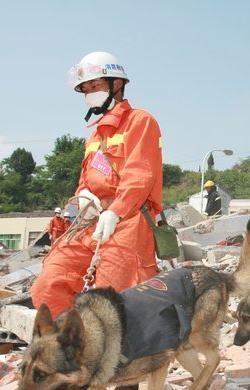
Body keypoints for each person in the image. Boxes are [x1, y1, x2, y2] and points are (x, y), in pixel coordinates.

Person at [31, 51, 163, 317]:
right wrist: (84, 197)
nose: (90, 93)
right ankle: (74, 347)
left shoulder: (140, 121)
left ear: (117, 84)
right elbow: (85, 179)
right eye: (86, 89)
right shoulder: (94, 135)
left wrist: (116, 211)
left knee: (113, 301)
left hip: (127, 221)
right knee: (48, 287)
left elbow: (140, 174)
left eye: (96, 85)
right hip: (90, 223)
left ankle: (117, 356)